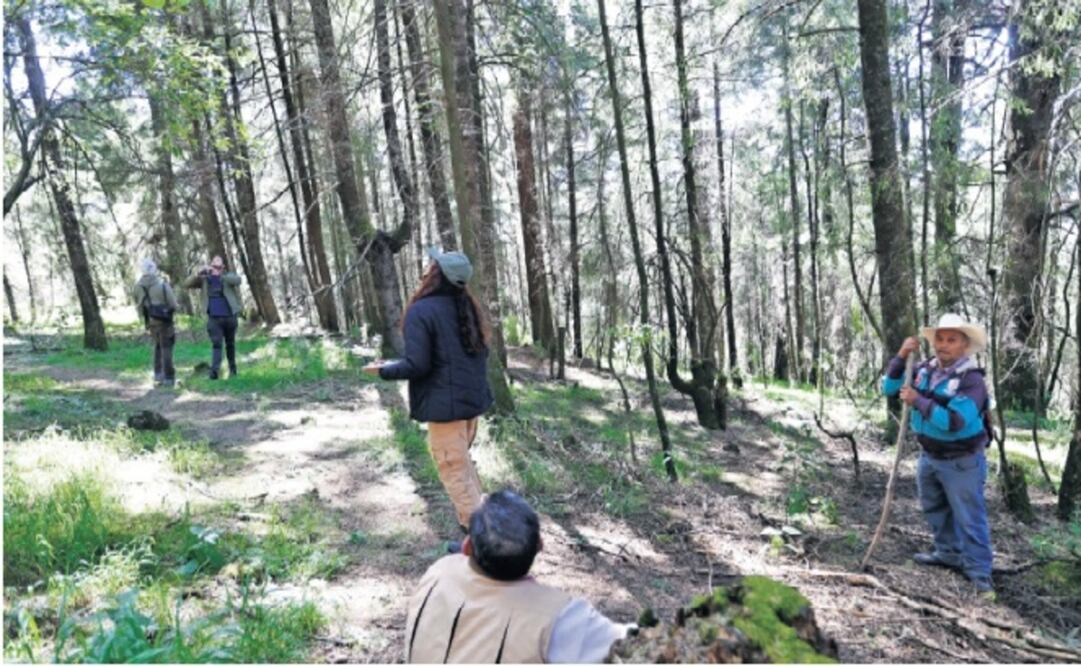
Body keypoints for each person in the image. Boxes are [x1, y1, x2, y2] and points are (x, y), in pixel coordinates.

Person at [405, 490, 632, 663]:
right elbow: (640, 649)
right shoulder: (560, 618)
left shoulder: (439, 571)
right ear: (539, 547)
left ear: (466, 547)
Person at [364, 249, 493, 539]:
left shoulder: (423, 310)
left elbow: (418, 365)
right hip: (470, 406)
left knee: (455, 473)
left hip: (447, 410)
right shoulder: (467, 306)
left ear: (436, 273)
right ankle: (483, 537)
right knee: (463, 469)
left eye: (432, 264)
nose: (427, 267)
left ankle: (484, 549)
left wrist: (383, 371)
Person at [882, 313, 994, 595]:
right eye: (940, 339)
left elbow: (954, 421)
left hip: (962, 461)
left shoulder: (972, 382)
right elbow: (889, 388)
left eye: (951, 340)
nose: (943, 345)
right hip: (929, 455)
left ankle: (980, 572)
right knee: (935, 507)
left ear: (964, 346)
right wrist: (902, 355)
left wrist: (918, 400)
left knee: (969, 516)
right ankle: (948, 553)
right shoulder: (924, 370)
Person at [184, 255, 242, 380]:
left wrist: (220, 274)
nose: (216, 268)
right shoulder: (205, 280)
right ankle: (214, 372)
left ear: (223, 267)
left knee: (230, 344)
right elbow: (187, 284)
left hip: (230, 317)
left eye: (219, 265)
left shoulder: (227, 277)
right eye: (214, 265)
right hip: (214, 319)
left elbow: (238, 280)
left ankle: (233, 371)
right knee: (217, 344)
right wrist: (198, 273)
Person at [132, 258, 179, 387]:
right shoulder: (162, 284)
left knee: (158, 346)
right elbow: (173, 304)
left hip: (150, 322)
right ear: (153, 270)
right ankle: (169, 377)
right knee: (166, 347)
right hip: (165, 321)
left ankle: (158, 374)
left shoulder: (137, 287)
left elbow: (138, 306)